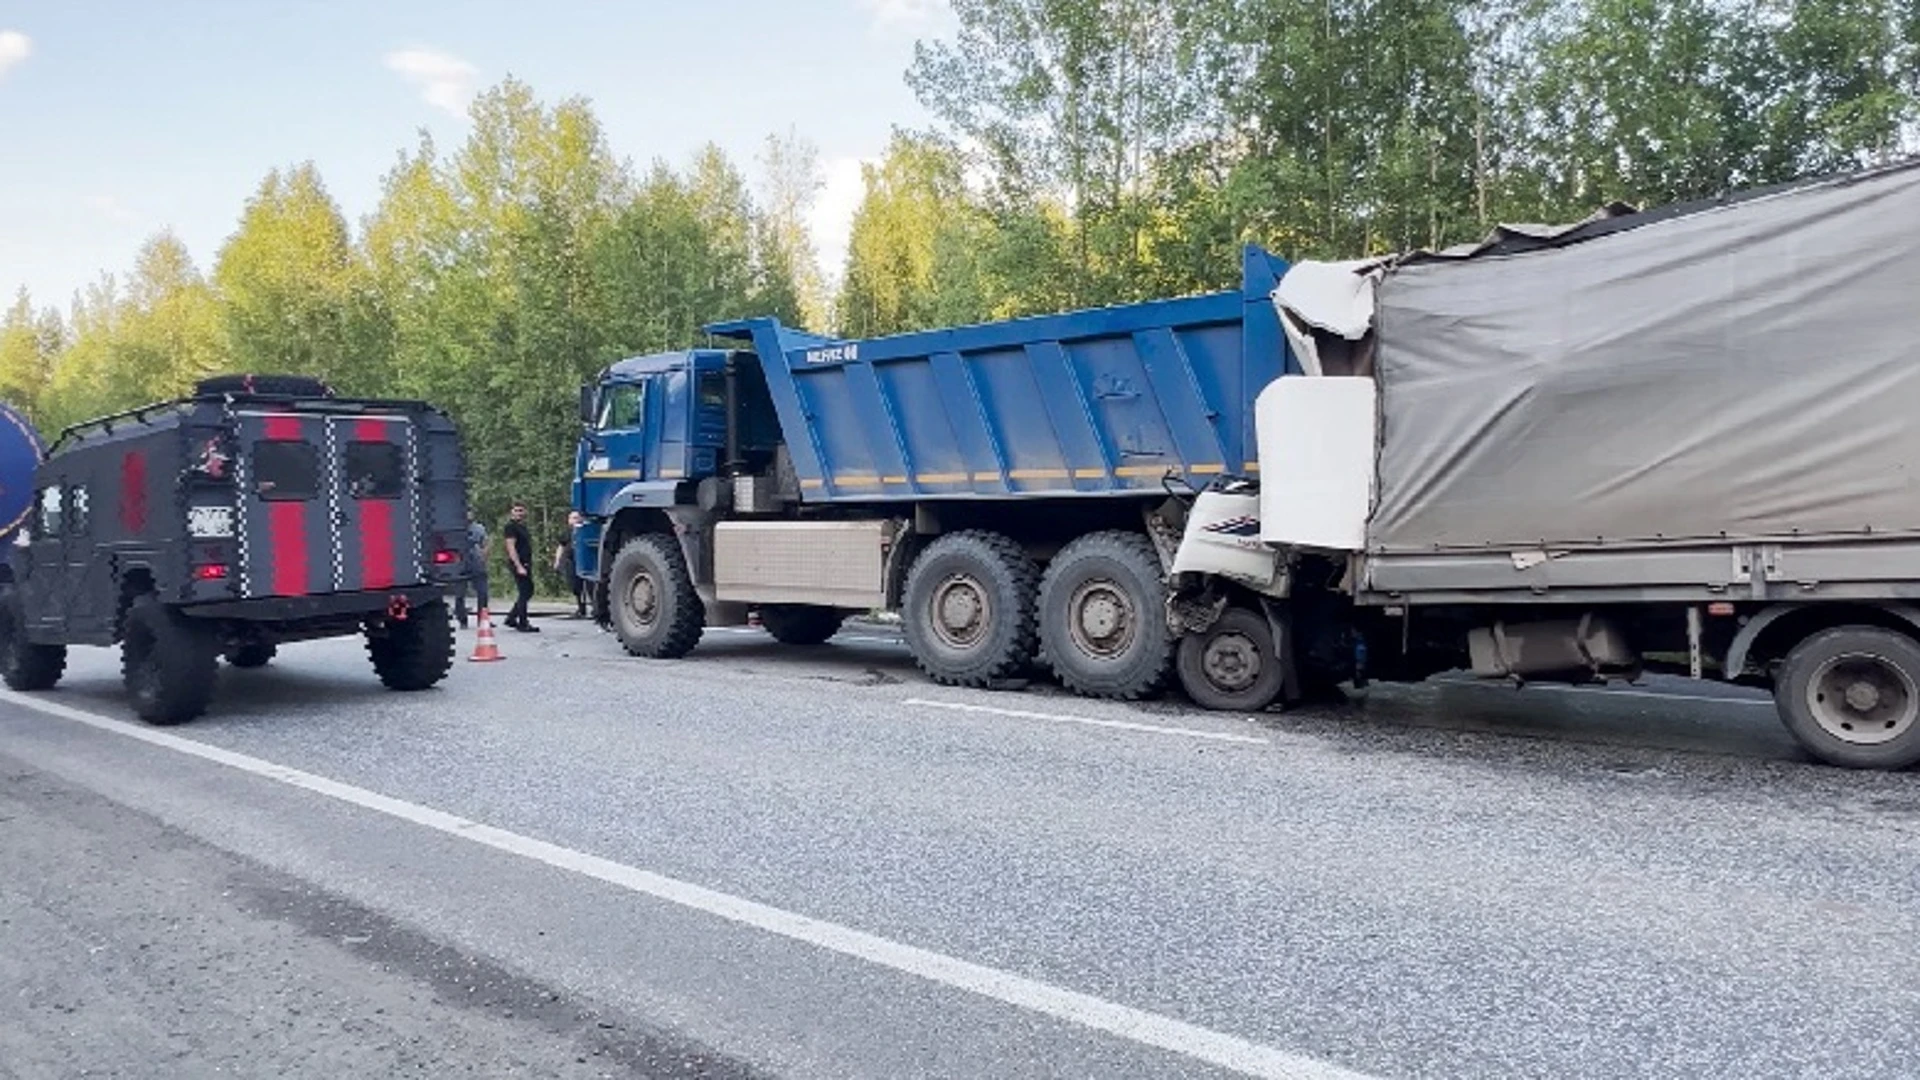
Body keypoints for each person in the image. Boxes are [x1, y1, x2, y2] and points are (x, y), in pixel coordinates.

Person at [502, 502, 538, 633]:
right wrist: (518, 565)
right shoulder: (510, 527)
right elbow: (510, 547)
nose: (519, 513)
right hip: (519, 563)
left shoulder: (522, 527)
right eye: (516, 510)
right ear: (511, 512)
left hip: (526, 562)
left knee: (528, 590)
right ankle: (522, 622)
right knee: (525, 591)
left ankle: (511, 618)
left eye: (521, 510)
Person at [453, 507, 489, 629]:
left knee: (483, 592)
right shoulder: (454, 529)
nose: (468, 515)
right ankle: (462, 618)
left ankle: (482, 618)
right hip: (459, 563)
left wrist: (484, 557)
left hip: (476, 562)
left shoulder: (479, 528)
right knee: (459, 594)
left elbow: (485, 543)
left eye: (470, 512)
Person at [553, 510, 586, 618]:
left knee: (588, 585)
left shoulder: (585, 531)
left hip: (583, 561)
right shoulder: (567, 532)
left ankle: (594, 608)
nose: (575, 520)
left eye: (577, 517)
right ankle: (580, 608)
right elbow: (561, 546)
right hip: (570, 561)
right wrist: (557, 561)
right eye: (573, 518)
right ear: (569, 520)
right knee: (574, 585)